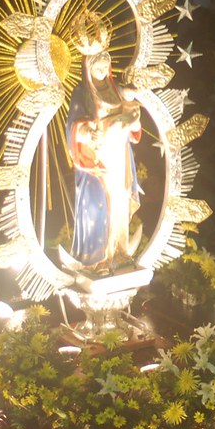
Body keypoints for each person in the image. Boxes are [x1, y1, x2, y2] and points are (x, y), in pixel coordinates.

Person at [66, 14, 143, 268]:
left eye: (104, 68)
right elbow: (73, 126)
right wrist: (88, 132)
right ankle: (96, 257)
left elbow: (131, 116)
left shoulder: (114, 89)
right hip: (96, 160)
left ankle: (119, 249)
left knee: (119, 200)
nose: (100, 72)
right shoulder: (82, 94)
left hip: (118, 154)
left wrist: (131, 110)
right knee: (98, 206)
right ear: (88, 68)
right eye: (96, 69)